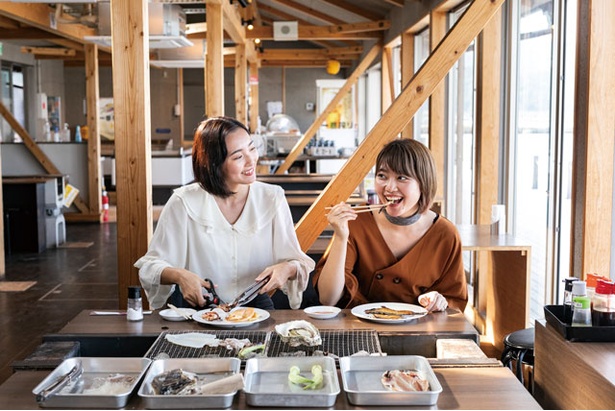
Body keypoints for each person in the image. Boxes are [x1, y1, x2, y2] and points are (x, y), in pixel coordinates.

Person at [135, 116, 315, 310]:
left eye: (252, 148)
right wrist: (180, 276)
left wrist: (286, 268)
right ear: (213, 163)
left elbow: (299, 262)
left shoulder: (272, 197)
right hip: (199, 308)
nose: (251, 160)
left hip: (255, 308)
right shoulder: (183, 202)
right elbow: (149, 266)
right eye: (238, 156)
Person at [313, 138, 467, 312]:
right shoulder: (357, 223)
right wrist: (341, 236)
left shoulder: (445, 234)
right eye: (382, 176)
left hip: (419, 331)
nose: (389, 187)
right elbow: (328, 299)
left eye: (401, 177)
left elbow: (454, 302)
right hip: (359, 328)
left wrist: (437, 300)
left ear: (424, 183)